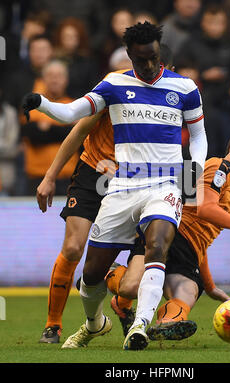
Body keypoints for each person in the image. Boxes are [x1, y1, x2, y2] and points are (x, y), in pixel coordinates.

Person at [23, 22, 208, 351]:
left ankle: (139, 326)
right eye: (141, 59)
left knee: (158, 246)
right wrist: (40, 103)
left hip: (164, 185)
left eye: (153, 57)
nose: (149, 65)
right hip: (121, 186)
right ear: (129, 56)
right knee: (92, 273)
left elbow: (198, 137)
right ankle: (94, 323)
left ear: (159, 51)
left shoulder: (185, 88)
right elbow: (71, 114)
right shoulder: (114, 84)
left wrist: (190, 180)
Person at [105, 130, 230, 341]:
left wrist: (210, 286)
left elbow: (201, 240)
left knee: (187, 294)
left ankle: (164, 325)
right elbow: (204, 209)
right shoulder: (221, 167)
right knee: (131, 287)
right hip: (168, 233)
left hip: (188, 250)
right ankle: (107, 274)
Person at [21, 59, 78, 195]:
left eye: (59, 76)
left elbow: (77, 136)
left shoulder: (75, 106)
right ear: (43, 79)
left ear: (66, 80)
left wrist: (49, 128)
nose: (54, 80)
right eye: (51, 76)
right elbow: (34, 135)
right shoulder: (32, 105)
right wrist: (65, 129)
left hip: (68, 177)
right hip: (37, 176)